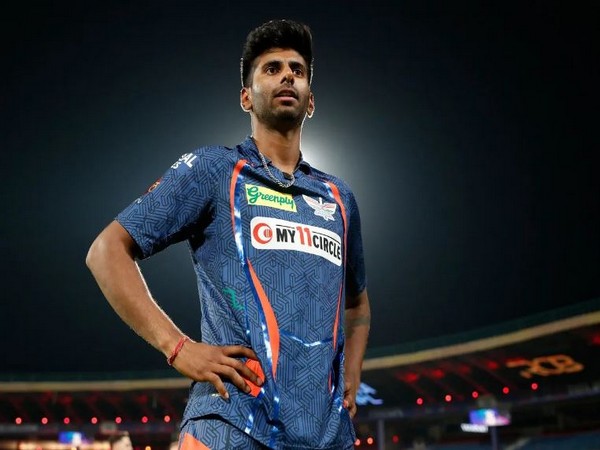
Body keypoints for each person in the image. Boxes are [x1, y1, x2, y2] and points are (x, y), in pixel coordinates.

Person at [86, 19, 370, 450]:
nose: (287, 76)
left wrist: (352, 371)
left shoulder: (339, 198)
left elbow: (357, 301)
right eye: (271, 69)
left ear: (310, 100)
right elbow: (107, 250)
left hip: (327, 436)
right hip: (230, 424)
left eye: (297, 70)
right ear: (245, 97)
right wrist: (178, 347)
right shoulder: (213, 171)